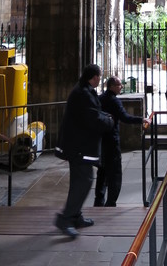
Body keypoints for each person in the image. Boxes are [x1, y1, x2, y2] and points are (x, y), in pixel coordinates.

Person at [54, 64, 114, 238]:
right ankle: (65, 219)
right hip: (78, 147)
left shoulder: (83, 90)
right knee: (84, 181)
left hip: (78, 146)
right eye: (99, 77)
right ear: (94, 77)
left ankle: (75, 216)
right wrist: (109, 121)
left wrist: (104, 117)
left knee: (79, 182)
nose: (100, 79)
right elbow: (93, 117)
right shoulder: (83, 94)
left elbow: (92, 113)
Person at [94, 76, 149, 207]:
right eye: (119, 85)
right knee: (115, 173)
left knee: (102, 171)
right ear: (112, 86)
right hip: (112, 140)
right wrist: (141, 119)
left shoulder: (99, 98)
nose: (121, 87)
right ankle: (111, 202)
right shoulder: (114, 101)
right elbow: (125, 117)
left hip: (101, 139)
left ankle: (99, 201)